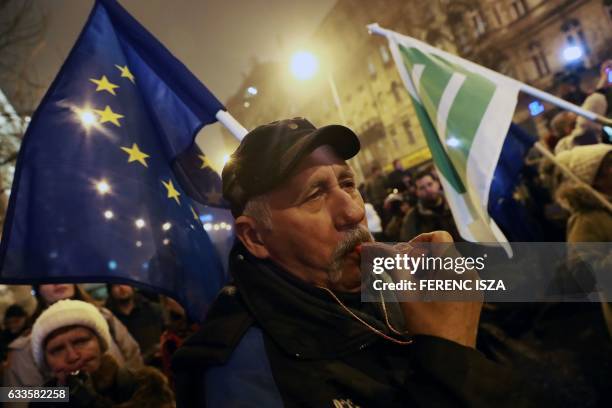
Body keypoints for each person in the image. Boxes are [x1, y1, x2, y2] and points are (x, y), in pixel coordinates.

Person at [172, 118, 541, 407]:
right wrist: (450, 357)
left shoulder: (394, 286)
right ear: (255, 237)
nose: (352, 211)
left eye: (347, 183)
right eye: (315, 194)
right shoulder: (239, 371)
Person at [28, 299, 174, 408]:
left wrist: (91, 402)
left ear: (101, 344)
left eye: (80, 342)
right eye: (57, 349)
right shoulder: (41, 399)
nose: (72, 356)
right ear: (46, 361)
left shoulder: (144, 386)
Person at [4, 284, 142, 390]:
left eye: (81, 341)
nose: (57, 282)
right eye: (57, 349)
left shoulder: (106, 318)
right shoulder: (24, 345)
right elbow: (15, 394)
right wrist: (63, 396)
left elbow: (134, 361)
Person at [105, 284, 163, 365]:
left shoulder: (153, 310)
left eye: (125, 283)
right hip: (128, 370)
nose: (121, 288)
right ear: (110, 290)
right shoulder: (108, 318)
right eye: (116, 285)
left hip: (156, 365)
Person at [399, 169, 460, 242]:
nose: (428, 190)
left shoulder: (456, 205)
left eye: (430, 184)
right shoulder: (412, 219)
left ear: (437, 183)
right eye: (422, 188)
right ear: (417, 192)